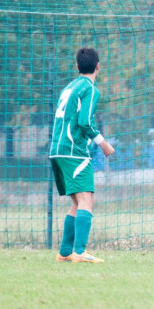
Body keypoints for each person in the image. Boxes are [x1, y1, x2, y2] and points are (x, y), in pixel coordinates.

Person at [50, 47, 115, 263]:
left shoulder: (69, 87)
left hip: (57, 151)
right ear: (98, 66)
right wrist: (102, 143)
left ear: (77, 67)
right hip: (74, 152)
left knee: (77, 202)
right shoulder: (90, 88)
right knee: (87, 199)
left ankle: (65, 252)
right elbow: (85, 121)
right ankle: (79, 251)